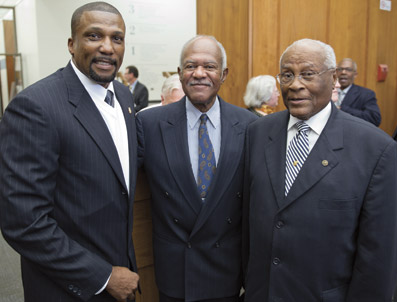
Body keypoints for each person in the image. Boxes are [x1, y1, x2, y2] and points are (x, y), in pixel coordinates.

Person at [0, 2, 140, 301]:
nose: (107, 47)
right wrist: (102, 276)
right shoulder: (35, 107)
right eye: (93, 36)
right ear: (71, 44)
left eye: (117, 38)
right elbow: (23, 222)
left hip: (122, 277)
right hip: (68, 287)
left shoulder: (124, 96)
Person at [243, 38, 397, 302]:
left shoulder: (375, 149)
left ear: (334, 77)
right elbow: (249, 220)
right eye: (287, 75)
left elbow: (379, 256)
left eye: (308, 74)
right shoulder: (257, 132)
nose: (295, 85)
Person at [136, 35, 257, 302]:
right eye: (190, 66)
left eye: (210, 66)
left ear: (224, 74)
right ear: (179, 74)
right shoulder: (149, 124)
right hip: (175, 272)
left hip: (227, 272)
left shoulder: (250, 126)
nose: (199, 74)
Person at [336, 58, 381, 126]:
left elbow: (374, 118)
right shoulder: (328, 91)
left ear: (355, 74)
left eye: (348, 69)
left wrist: (342, 109)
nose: (343, 72)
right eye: (340, 69)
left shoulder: (366, 94)